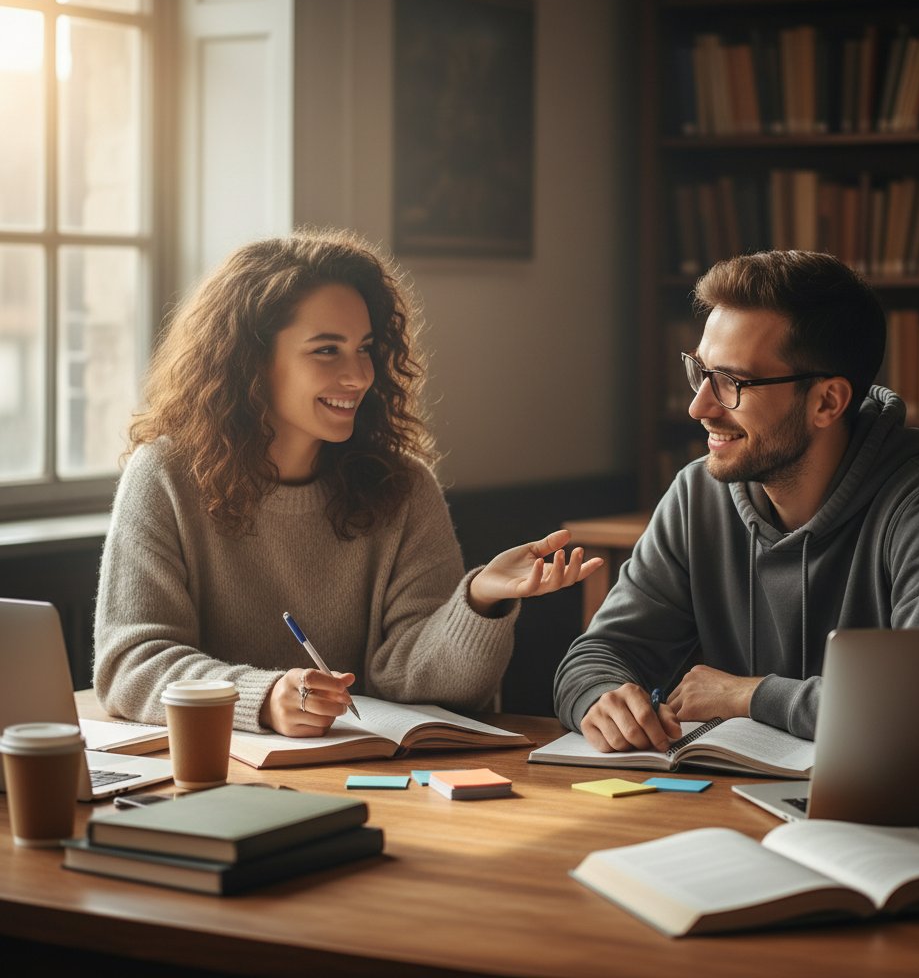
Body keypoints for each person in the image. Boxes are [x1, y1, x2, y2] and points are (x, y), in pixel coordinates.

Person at [93, 227, 602, 737]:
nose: (359, 375)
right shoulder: (164, 476)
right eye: (326, 351)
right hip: (214, 778)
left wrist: (479, 602)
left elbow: (422, 682)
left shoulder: (403, 487)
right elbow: (131, 664)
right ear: (251, 361)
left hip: (371, 779)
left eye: (365, 348)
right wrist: (264, 698)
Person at [553, 249, 919, 752]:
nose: (698, 405)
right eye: (700, 371)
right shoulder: (696, 494)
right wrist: (602, 698)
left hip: (885, 822)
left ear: (827, 402)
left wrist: (749, 695)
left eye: (732, 382)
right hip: (731, 803)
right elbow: (596, 656)